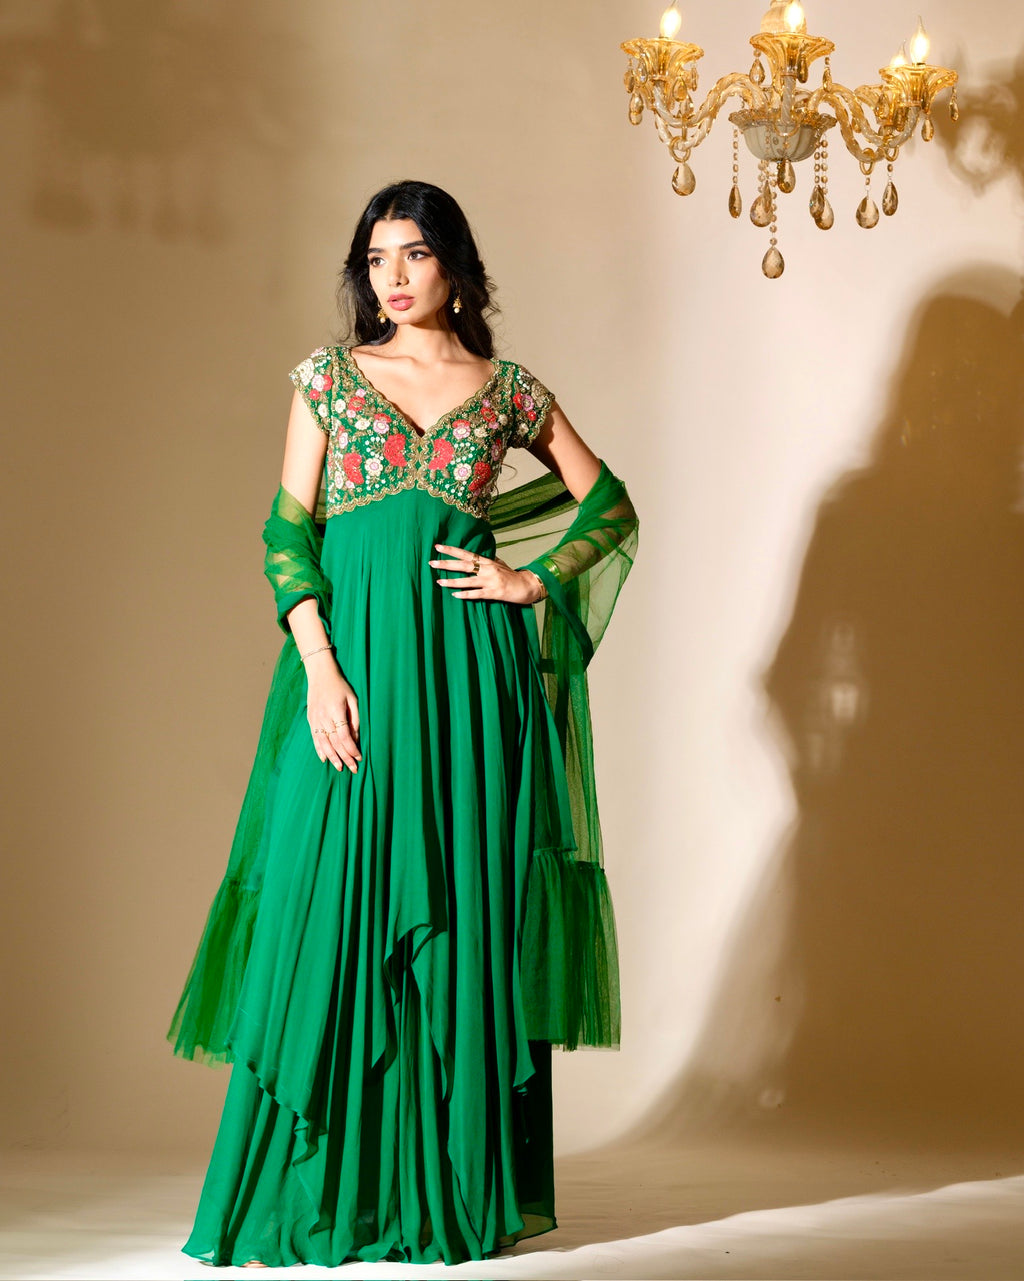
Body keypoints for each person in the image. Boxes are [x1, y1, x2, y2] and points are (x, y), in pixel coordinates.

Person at [166, 179, 639, 1267]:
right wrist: (319, 667)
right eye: (375, 256)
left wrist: (533, 582)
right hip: (354, 673)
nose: (392, 274)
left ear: (454, 267)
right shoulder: (327, 383)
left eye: (414, 253)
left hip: (471, 687)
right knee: (328, 904)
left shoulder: (506, 389)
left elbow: (606, 504)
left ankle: (444, 1197)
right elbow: (287, 538)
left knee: (461, 910)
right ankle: (316, 1192)